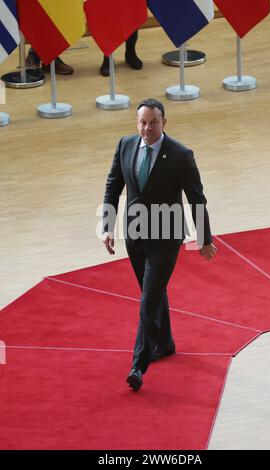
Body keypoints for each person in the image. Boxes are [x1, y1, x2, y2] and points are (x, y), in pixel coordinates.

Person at [102, 98, 217, 391]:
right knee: (151, 292)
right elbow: (113, 186)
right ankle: (164, 343)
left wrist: (203, 238)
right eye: (142, 122)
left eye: (153, 122)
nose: (147, 128)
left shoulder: (180, 154)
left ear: (164, 123)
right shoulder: (125, 145)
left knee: (148, 299)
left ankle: (138, 365)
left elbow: (196, 197)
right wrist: (107, 226)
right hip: (134, 236)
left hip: (165, 239)